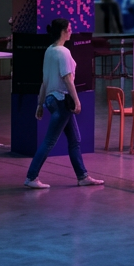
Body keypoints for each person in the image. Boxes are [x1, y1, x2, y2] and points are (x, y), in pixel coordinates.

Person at [23, 18, 104, 189]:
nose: (71, 31)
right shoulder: (63, 52)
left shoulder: (49, 51)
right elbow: (67, 79)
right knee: (50, 141)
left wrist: (40, 103)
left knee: (75, 140)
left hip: (52, 100)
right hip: (61, 100)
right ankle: (31, 176)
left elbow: (45, 80)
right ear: (64, 31)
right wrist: (77, 100)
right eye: (70, 28)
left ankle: (82, 176)